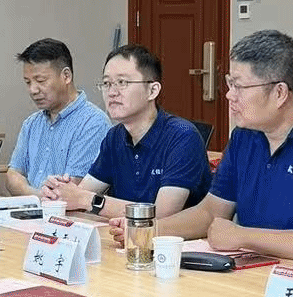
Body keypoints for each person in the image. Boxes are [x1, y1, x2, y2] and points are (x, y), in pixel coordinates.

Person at [154, 29, 293, 264]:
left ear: (280, 93)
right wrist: (145, 230)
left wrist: (242, 236)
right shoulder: (245, 135)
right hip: (259, 271)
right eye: (229, 83)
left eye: (239, 86)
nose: (229, 95)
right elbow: (211, 212)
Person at [42, 43, 211, 220]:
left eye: (122, 82)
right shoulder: (114, 137)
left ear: (152, 90)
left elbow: (160, 216)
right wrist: (59, 193)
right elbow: (81, 195)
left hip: (172, 237)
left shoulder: (183, 136)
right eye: (106, 83)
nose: (112, 92)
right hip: (122, 235)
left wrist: (86, 200)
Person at [4, 38, 109, 197]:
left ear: (66, 76)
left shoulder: (93, 123)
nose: (33, 90)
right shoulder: (31, 123)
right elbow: (13, 176)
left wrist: (40, 199)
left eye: (40, 81)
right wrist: (38, 197)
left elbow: (73, 189)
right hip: (32, 209)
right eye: (28, 82)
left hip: (68, 212)